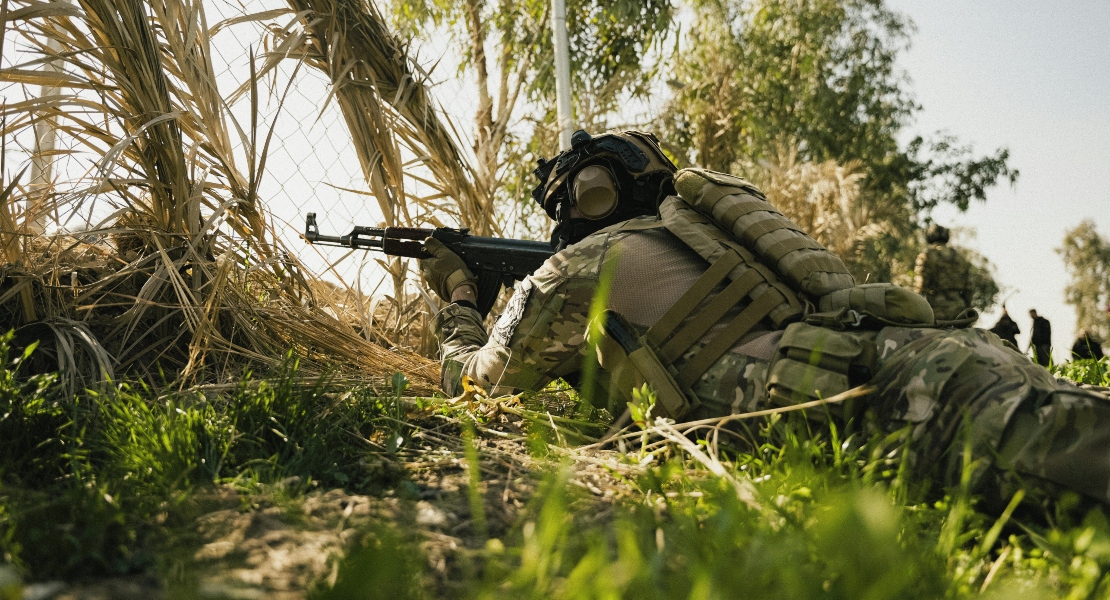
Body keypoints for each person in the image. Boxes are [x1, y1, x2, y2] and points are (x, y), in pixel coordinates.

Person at [421, 129, 1110, 509]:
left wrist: (459, 295)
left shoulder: (580, 267)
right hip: (941, 358)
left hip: (913, 405)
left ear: (576, 204)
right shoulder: (718, 234)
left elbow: (477, 382)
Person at [913, 225, 974, 322]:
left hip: (935, 309)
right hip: (958, 310)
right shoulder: (960, 258)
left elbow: (920, 284)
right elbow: (969, 288)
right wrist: (967, 308)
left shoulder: (927, 255)